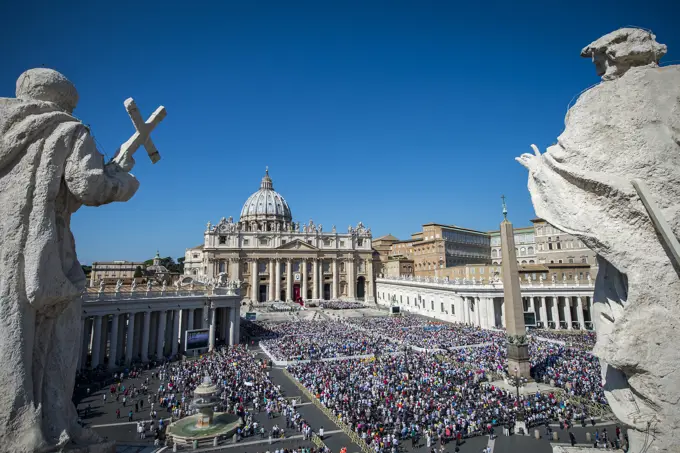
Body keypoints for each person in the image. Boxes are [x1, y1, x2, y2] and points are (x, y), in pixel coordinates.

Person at [0, 68, 140, 452]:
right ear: (64, 100)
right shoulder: (65, 128)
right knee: (52, 342)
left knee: (11, 346)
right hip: (41, 254)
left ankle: (21, 432)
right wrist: (123, 177)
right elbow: (89, 187)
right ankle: (51, 429)